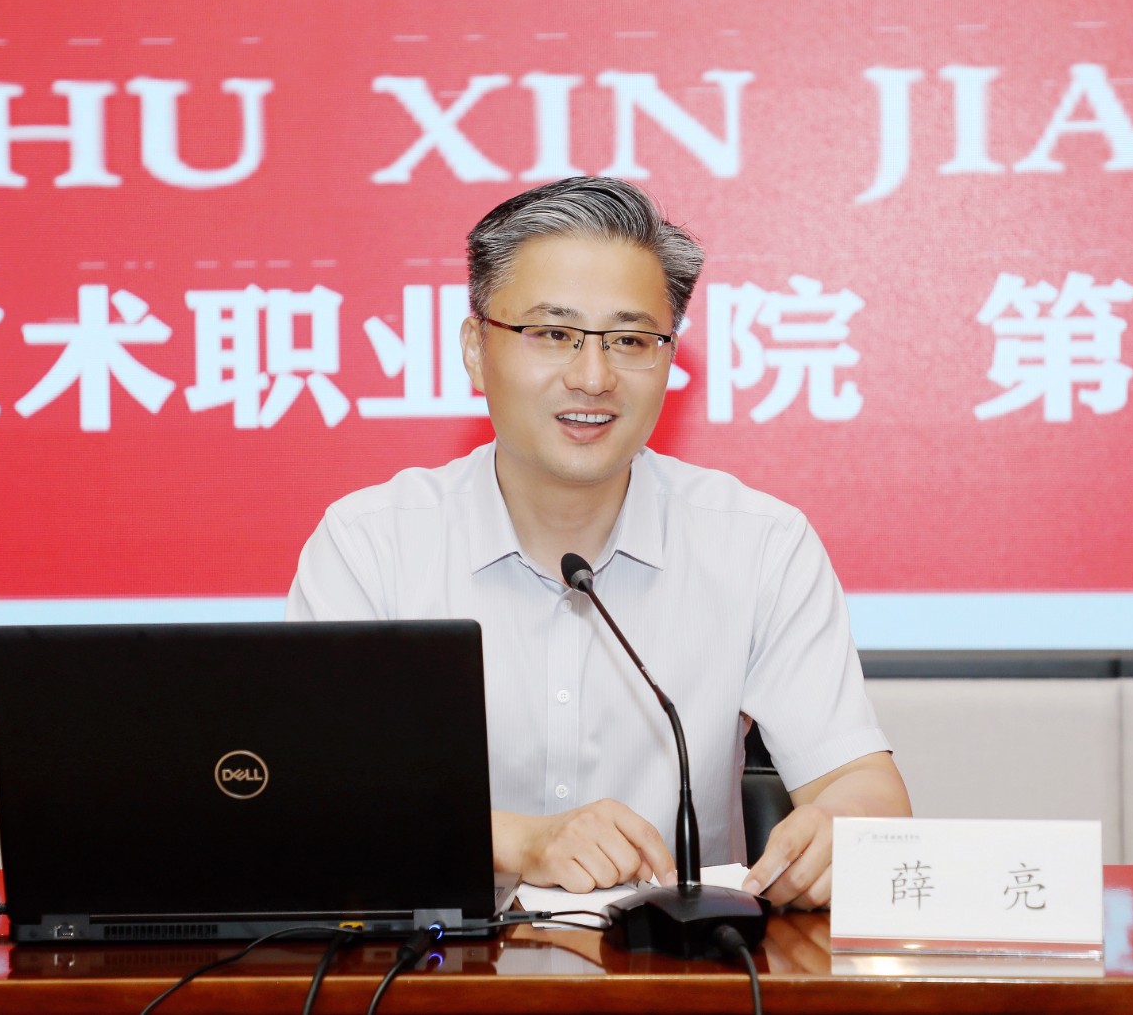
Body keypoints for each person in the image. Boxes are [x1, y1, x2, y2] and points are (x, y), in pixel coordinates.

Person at [287, 176, 910, 909]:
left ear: (669, 358)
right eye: (553, 334)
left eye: (630, 340)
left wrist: (845, 827)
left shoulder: (760, 546)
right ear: (475, 349)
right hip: (442, 964)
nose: (593, 377)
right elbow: (314, 804)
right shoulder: (371, 546)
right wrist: (523, 842)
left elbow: (862, 784)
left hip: (678, 966)